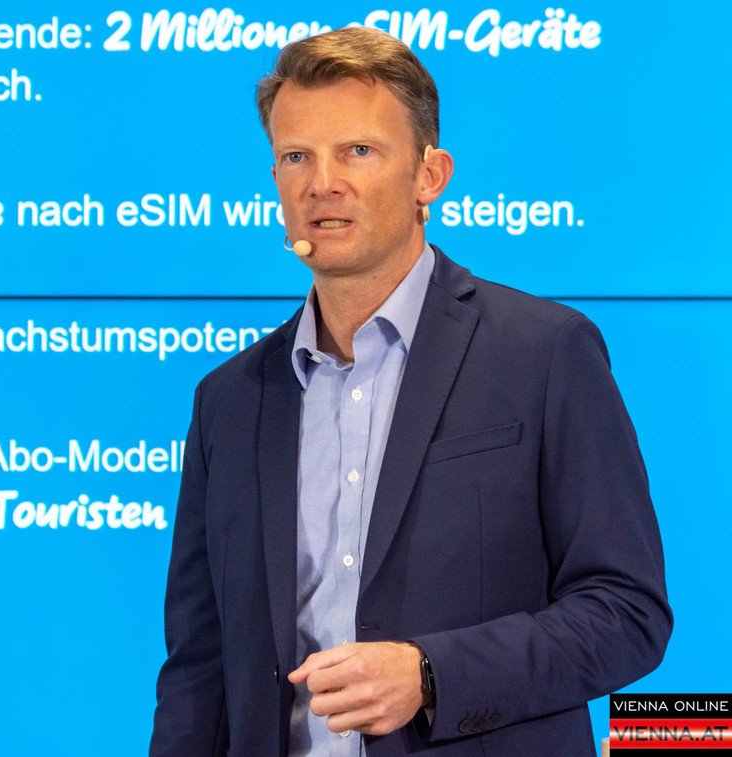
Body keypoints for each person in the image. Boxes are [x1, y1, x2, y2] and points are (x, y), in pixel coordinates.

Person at [149, 27, 671, 757]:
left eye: (357, 151)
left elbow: (627, 613)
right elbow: (199, 673)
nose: (321, 183)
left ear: (429, 176)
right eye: (297, 156)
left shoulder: (545, 353)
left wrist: (430, 674)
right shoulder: (229, 400)